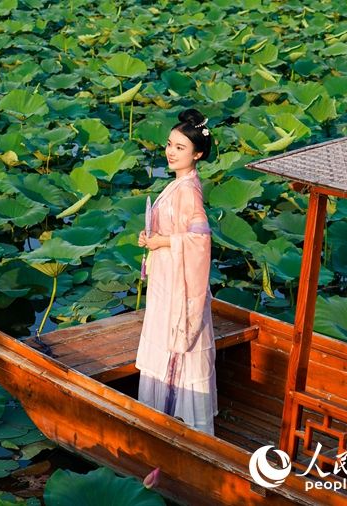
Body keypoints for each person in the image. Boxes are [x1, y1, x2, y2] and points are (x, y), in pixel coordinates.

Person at [136, 108, 217, 436]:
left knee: (177, 345)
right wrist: (152, 238)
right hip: (167, 278)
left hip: (178, 285)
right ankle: (164, 419)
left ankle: (180, 426)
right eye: (170, 144)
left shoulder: (188, 190)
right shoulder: (180, 183)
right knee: (166, 342)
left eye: (180, 147)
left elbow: (200, 240)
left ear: (197, 154)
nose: (171, 152)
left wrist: (162, 241)